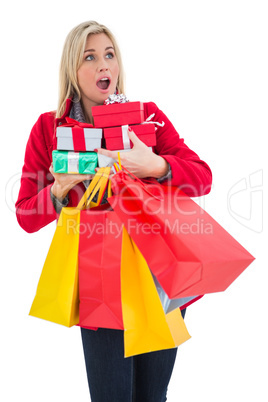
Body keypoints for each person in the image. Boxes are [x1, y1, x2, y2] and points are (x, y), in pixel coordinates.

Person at [16, 21, 212, 402]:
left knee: (152, 396)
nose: (104, 65)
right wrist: (58, 189)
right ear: (72, 69)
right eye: (90, 57)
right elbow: (25, 214)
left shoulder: (148, 117)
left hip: (161, 274)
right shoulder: (48, 129)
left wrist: (154, 165)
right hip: (99, 281)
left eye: (109, 55)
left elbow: (202, 177)